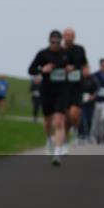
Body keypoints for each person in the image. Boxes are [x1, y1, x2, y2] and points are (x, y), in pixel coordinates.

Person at [28, 30, 70, 166]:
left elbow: (77, 68)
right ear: (49, 41)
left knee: (58, 121)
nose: (55, 44)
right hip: (46, 92)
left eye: (58, 42)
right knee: (47, 122)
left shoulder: (66, 54)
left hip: (62, 92)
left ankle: (57, 153)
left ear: (61, 42)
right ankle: (48, 139)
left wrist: (71, 69)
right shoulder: (43, 54)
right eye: (53, 42)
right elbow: (31, 70)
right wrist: (42, 70)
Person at [61, 28, 90, 145]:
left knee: (74, 113)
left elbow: (84, 63)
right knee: (66, 115)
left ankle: (76, 129)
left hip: (77, 86)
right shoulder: (60, 51)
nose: (68, 37)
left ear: (74, 37)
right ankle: (64, 139)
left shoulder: (80, 49)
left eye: (70, 35)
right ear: (63, 37)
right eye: (66, 35)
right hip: (63, 87)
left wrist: (86, 71)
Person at [79, 73, 97, 142]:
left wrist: (93, 96)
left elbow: (97, 89)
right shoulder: (79, 79)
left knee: (89, 119)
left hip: (90, 103)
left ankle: (88, 134)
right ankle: (81, 134)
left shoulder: (92, 79)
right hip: (81, 103)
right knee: (82, 119)